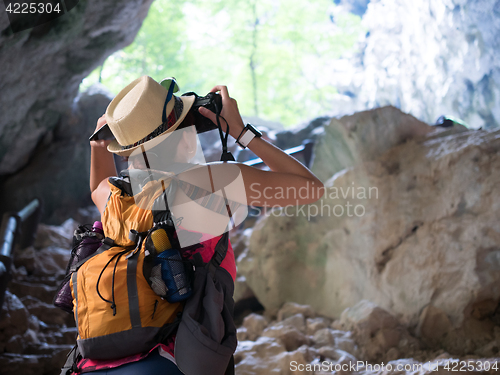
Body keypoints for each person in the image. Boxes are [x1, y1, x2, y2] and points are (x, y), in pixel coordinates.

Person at [84, 75, 324, 374]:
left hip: (98, 363)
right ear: (185, 140)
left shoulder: (113, 197)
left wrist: (98, 145)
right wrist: (240, 131)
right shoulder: (210, 183)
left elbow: (97, 185)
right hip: (178, 360)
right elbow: (309, 188)